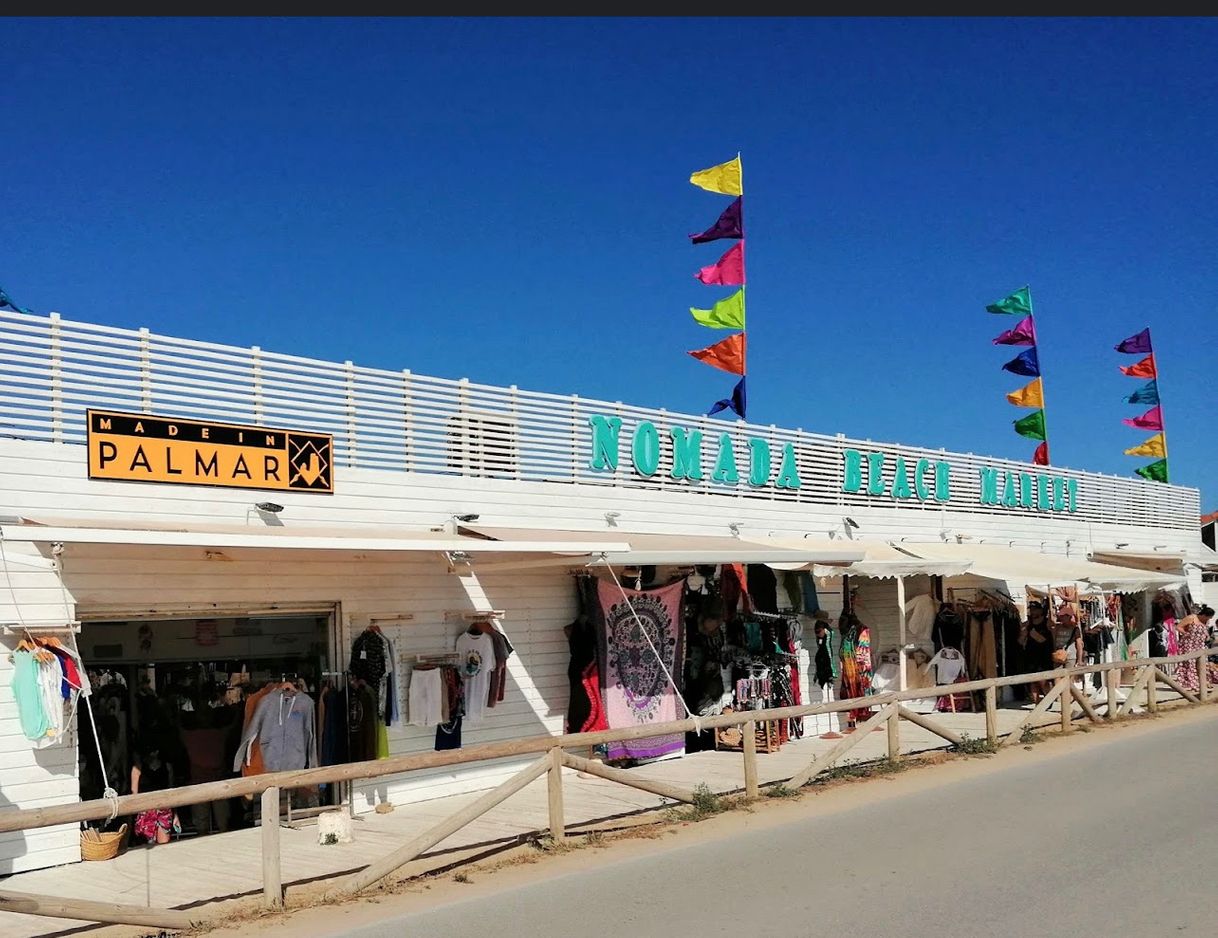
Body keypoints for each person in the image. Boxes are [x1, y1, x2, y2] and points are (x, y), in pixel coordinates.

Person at [131, 745, 180, 845]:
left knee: (164, 844)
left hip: (164, 810)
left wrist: (175, 815)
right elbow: (133, 794)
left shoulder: (167, 766)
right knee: (148, 844)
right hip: (145, 811)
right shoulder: (138, 768)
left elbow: (171, 792)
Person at [1174, 605, 1213, 694]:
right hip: (1189, 644)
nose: (1208, 620)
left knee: (1202, 663)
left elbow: (1204, 630)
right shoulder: (1191, 618)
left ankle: (1203, 683)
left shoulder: (1205, 621)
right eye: (1208, 617)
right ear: (1204, 615)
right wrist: (1187, 634)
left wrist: (1207, 636)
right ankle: (1190, 683)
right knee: (1189, 664)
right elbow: (1178, 627)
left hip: (1200, 645)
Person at [1024, 601, 1054, 702]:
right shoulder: (1028, 624)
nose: (1032, 611)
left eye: (1034, 609)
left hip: (1044, 655)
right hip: (1030, 655)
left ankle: (1048, 699)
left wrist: (1034, 634)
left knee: (1043, 681)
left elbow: (1045, 639)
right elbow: (1021, 640)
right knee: (1032, 681)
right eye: (1031, 609)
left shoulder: (1047, 622)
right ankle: (1037, 702)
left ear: (1040, 610)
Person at [1052, 608, 1084, 682]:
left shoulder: (1075, 629)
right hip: (1058, 655)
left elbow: (1079, 644)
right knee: (1057, 678)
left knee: (1069, 680)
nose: (1061, 618)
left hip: (1070, 656)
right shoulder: (1057, 627)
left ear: (1069, 616)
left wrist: (1079, 660)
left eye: (1063, 616)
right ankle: (1058, 693)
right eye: (1061, 616)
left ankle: (1067, 693)